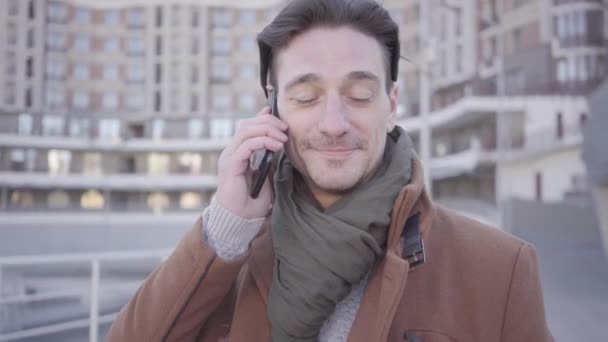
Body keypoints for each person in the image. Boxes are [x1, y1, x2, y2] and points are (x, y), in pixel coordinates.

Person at [107, 0, 553, 341]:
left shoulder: (501, 270)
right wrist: (226, 226)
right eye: (306, 97)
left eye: (359, 94)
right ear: (273, 105)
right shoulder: (231, 258)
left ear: (392, 105)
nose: (334, 124)